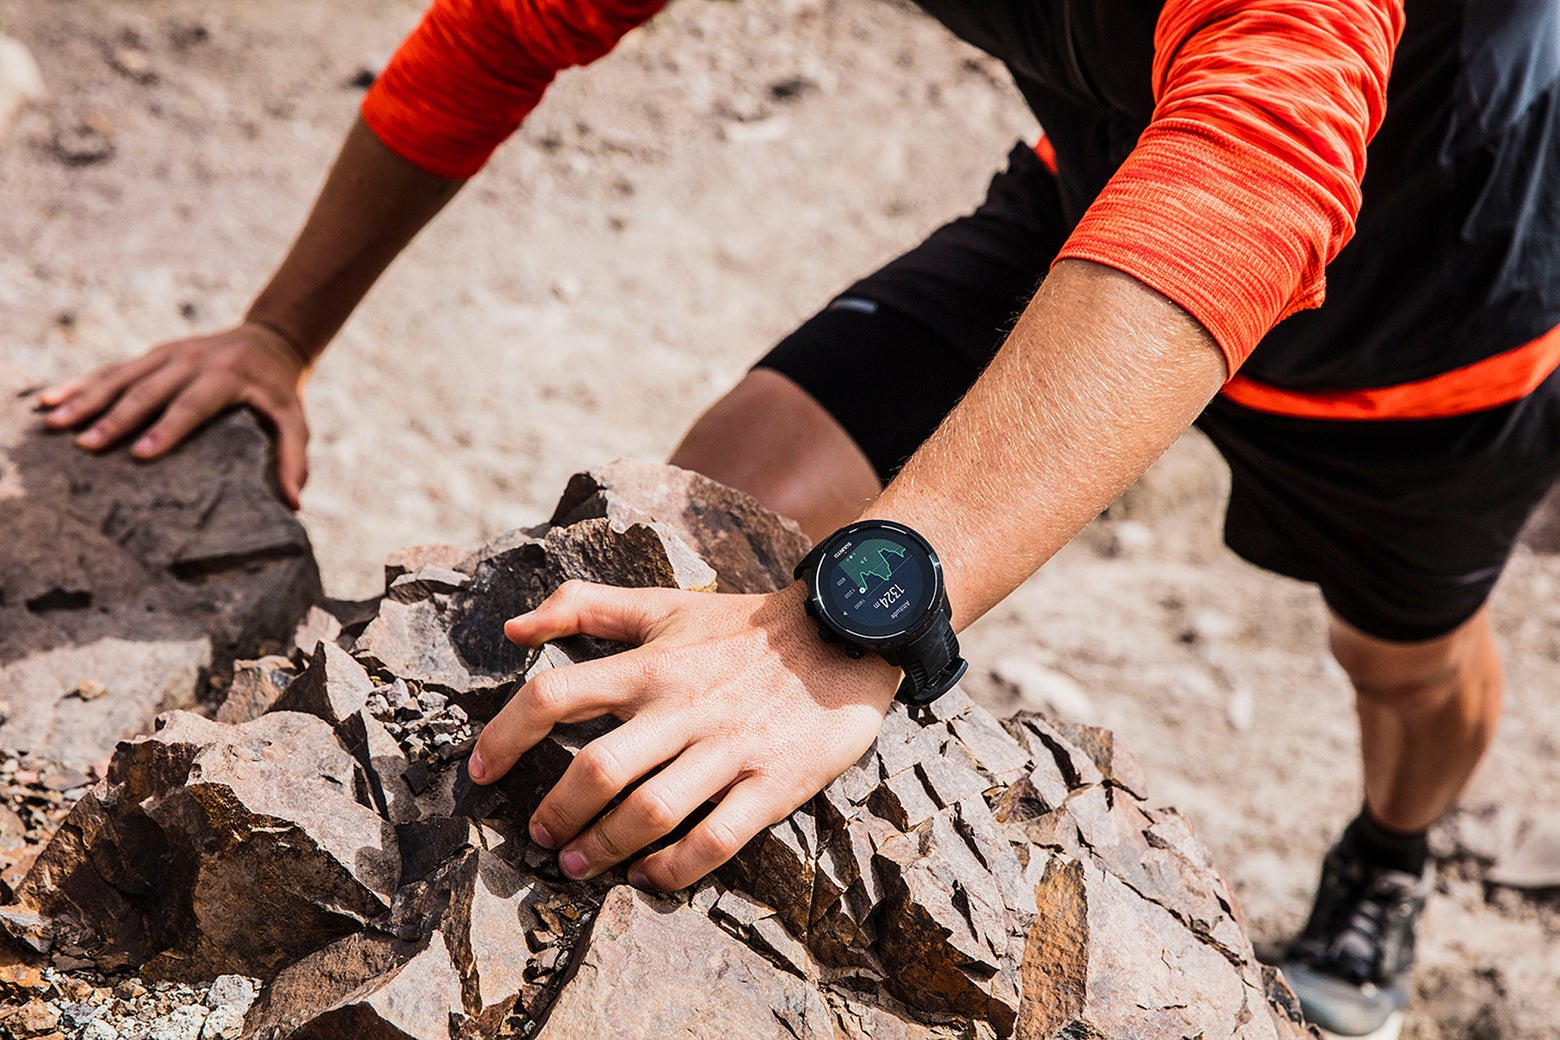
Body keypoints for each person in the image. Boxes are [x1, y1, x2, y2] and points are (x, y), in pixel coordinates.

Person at [38, 1, 1560, 1036]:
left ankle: (1390, 858)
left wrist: (852, 622)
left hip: (1429, 328)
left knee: (1399, 664)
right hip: (1097, 195)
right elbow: (511, 25)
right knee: (711, 507)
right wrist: (280, 334)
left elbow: (1253, 172)